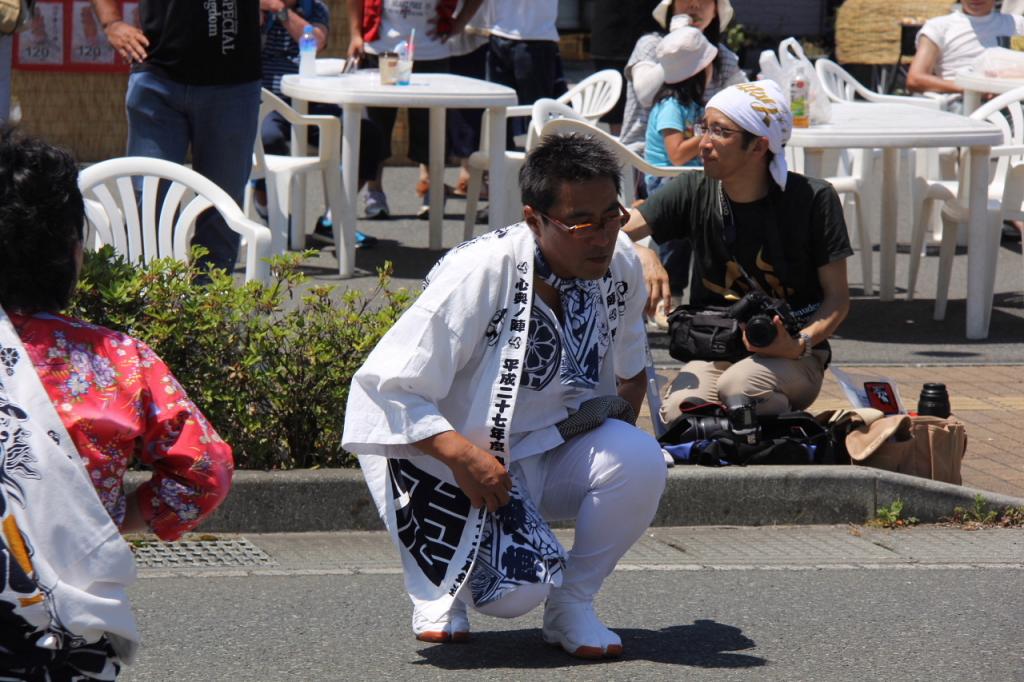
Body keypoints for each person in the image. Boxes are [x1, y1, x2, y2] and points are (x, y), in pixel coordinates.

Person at [343, 133, 666, 659]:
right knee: (514, 595)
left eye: (613, 216)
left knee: (640, 459)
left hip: (543, 445)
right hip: (443, 457)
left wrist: (603, 474)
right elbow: (387, 388)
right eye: (581, 223)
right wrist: (465, 456)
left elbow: (630, 374)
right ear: (534, 219)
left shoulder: (621, 263)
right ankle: (447, 592)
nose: (602, 237)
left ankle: (573, 605)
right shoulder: (481, 271)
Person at [0, 132, 234, 677]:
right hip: (70, 631)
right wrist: (115, 520)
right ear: (72, 252)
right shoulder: (119, 361)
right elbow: (206, 471)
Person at [621, 81, 852, 422]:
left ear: (759, 146)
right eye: (704, 128)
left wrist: (799, 343)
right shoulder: (693, 188)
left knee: (741, 389)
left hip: (793, 355)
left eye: (720, 131)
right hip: (714, 345)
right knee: (680, 412)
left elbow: (837, 300)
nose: (704, 142)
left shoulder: (813, 200)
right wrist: (642, 253)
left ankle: (779, 452)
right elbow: (611, 231)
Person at [89, 0, 264, 276]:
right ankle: (146, 304)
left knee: (221, 210)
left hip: (233, 80)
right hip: (158, 76)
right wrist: (112, 23)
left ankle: (208, 308)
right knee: (148, 206)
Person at [257, 0, 386, 245]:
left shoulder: (315, 8)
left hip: (311, 100)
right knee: (268, 139)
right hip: (269, 102)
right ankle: (269, 212)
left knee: (368, 136)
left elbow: (315, 42)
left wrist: (281, 11)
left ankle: (333, 218)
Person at [345, 0, 483, 219]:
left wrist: (459, 23)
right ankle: (374, 191)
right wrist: (355, 34)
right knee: (376, 125)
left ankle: (432, 189)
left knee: (431, 128)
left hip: (432, 50)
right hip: (380, 47)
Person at [621, 0, 745, 160]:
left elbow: (743, 100)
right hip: (644, 159)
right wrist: (676, 45)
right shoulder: (650, 44)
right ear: (671, 6)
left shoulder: (721, 55)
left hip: (702, 158)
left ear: (716, 10)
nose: (694, 5)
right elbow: (645, 95)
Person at [633, 21, 718, 193]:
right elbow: (677, 155)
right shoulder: (670, 106)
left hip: (686, 176)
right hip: (665, 182)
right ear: (699, 71)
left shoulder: (692, 104)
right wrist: (712, 132)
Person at [487, 0, 563, 147]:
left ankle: (542, 162)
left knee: (537, 111)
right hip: (499, 33)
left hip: (537, 38)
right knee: (498, 109)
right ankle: (500, 161)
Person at [907, 0, 1024, 95]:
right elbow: (915, 79)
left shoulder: (1016, 24)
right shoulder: (938, 27)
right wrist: (972, 88)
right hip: (959, 106)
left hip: (1012, 103)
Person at [588, 0, 661, 136]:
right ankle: (622, 149)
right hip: (613, 38)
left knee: (658, 105)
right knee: (617, 111)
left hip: (652, 32)